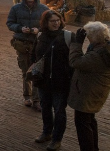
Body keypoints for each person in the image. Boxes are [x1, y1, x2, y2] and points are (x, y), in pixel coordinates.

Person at [33, 10, 74, 151]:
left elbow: (74, 60)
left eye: (57, 20)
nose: (56, 23)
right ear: (46, 23)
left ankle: (57, 139)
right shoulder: (40, 36)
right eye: (52, 21)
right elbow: (35, 55)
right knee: (45, 108)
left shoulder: (68, 36)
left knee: (59, 111)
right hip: (43, 81)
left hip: (61, 82)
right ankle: (46, 132)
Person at [68, 22, 110, 151]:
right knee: (90, 121)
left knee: (83, 124)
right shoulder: (104, 47)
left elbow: (75, 62)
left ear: (94, 37)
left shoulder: (98, 55)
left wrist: (77, 44)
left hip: (88, 93)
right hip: (96, 91)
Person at [7, 0, 49, 111]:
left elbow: (49, 24)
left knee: (36, 71)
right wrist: (20, 28)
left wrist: (39, 30)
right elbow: (10, 23)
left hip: (38, 44)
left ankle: (36, 99)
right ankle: (27, 96)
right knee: (26, 71)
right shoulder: (16, 8)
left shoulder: (43, 9)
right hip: (22, 43)